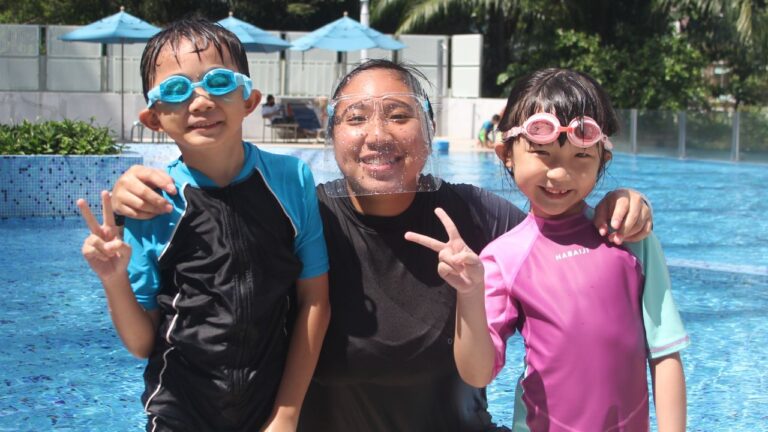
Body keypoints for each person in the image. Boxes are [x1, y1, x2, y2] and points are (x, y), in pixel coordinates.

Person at [108, 60, 654, 432]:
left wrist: (618, 204)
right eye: (356, 118)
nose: (377, 135)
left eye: (398, 114)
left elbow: (564, 243)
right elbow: (219, 216)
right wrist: (154, 181)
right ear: (332, 135)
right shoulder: (302, 217)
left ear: (427, 129)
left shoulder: (476, 216)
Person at [77, 19, 330, 432]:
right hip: (179, 409)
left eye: (219, 82)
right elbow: (143, 342)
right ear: (154, 118)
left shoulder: (291, 180)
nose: (200, 101)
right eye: (176, 90)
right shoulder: (153, 202)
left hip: (268, 406)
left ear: (249, 99)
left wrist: (286, 413)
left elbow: (315, 301)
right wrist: (113, 279)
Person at [406, 68, 689, 431]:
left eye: (580, 158)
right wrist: (470, 293)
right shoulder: (503, 257)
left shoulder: (629, 237)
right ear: (506, 154)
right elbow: (478, 373)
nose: (559, 174)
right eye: (542, 153)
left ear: (603, 159)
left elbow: (664, 353)